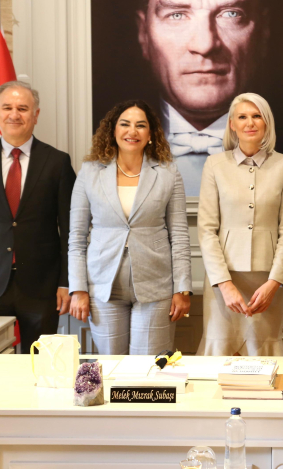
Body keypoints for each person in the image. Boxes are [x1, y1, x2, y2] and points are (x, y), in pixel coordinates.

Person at [136, 0, 268, 196]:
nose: (206, 44)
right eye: (177, 15)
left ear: (263, 33)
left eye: (231, 14)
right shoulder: (107, 159)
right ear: (144, 34)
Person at [0, 81, 76, 352]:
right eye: (7, 107)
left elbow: (70, 231)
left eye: (22, 108)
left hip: (42, 286)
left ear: (36, 114)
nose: (14, 115)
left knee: (41, 364)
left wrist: (67, 282)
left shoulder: (57, 162)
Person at [68, 100, 191, 355]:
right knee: (112, 367)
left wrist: (182, 288)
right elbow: (76, 238)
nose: (132, 131)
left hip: (156, 286)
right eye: (125, 124)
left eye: (140, 125)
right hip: (103, 286)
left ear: (150, 133)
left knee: (147, 369)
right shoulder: (89, 172)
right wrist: (78, 289)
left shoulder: (168, 172)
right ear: (113, 130)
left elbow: (179, 235)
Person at [196, 93, 283, 356]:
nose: (250, 123)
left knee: (263, 356)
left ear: (266, 123)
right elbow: (206, 230)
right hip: (223, 280)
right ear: (232, 124)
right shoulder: (214, 165)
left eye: (256, 116)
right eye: (242, 117)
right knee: (219, 354)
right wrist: (224, 284)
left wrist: (274, 283)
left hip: (267, 283)